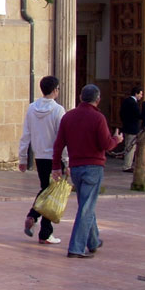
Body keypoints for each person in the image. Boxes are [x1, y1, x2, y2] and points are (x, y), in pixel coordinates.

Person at [53, 83, 123, 258]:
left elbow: (59, 144)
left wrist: (56, 166)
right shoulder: (98, 118)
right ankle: (76, 247)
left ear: (80, 98)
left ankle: (93, 241)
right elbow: (106, 144)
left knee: (86, 204)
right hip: (93, 166)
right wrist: (117, 139)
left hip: (76, 167)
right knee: (86, 207)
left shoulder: (68, 117)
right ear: (98, 100)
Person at [18, 75, 66, 244]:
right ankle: (43, 228)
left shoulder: (32, 108)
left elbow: (26, 134)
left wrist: (23, 157)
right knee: (51, 194)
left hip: (39, 155)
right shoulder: (58, 110)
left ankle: (39, 224)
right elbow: (62, 136)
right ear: (55, 90)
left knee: (46, 189)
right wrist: (66, 158)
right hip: (54, 156)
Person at [120, 85, 143, 172]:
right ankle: (127, 166)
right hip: (132, 127)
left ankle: (127, 164)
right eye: (140, 94)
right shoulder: (133, 103)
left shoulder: (126, 101)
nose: (141, 96)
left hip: (126, 126)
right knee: (130, 147)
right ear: (136, 94)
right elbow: (137, 115)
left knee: (128, 146)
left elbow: (121, 113)